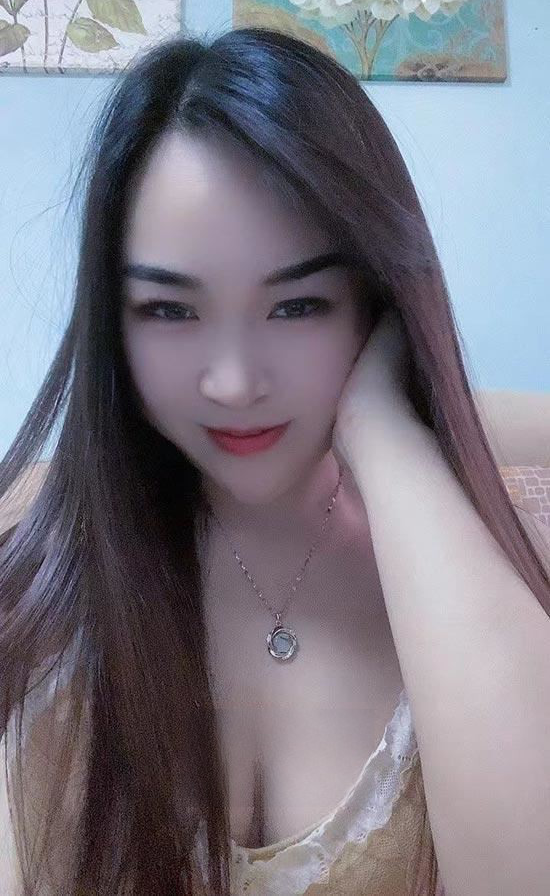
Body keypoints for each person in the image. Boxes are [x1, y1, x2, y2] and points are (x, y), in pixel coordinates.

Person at [0, 26, 549, 896]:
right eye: (170, 311)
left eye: (297, 306)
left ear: (377, 300)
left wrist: (385, 430)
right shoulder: (43, 599)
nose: (234, 382)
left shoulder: (472, 572)